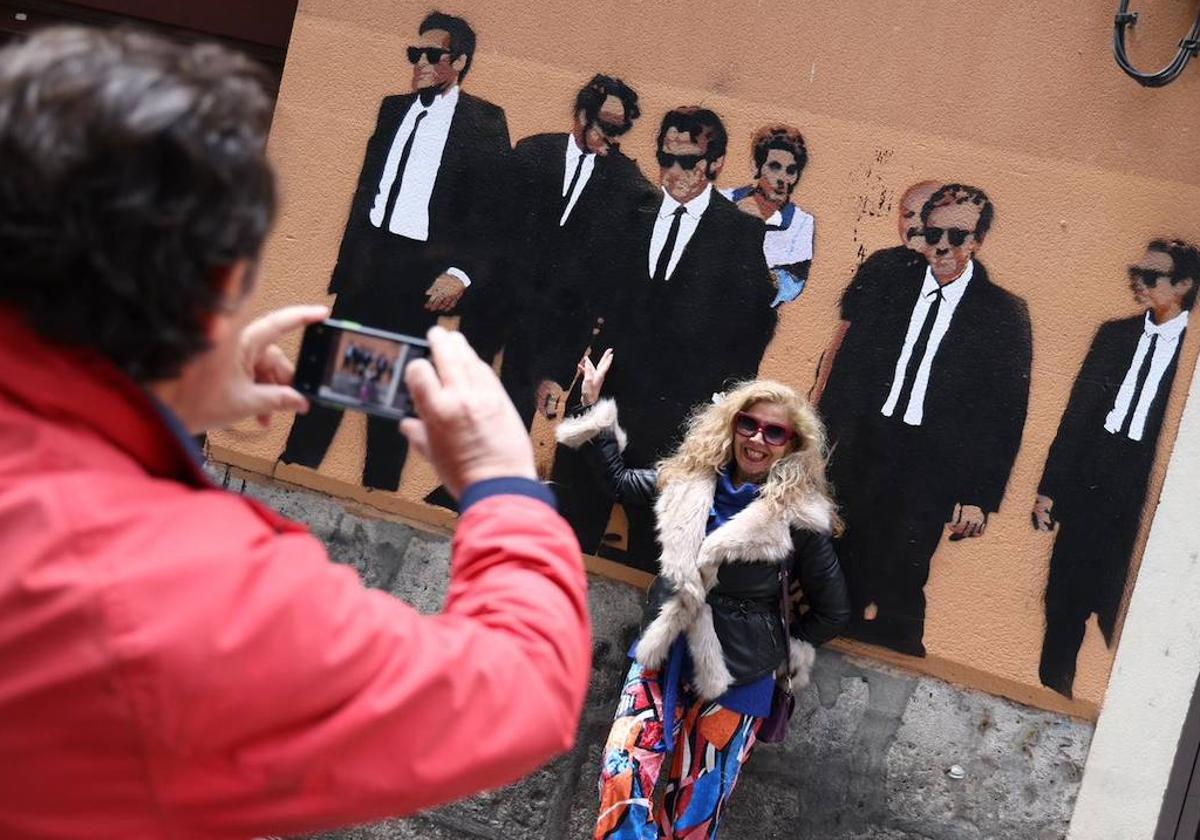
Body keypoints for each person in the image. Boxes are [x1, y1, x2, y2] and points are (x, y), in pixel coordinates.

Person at [0, 27, 590, 838]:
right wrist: (505, 483)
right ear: (219, 281)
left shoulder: (482, 126)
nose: (416, 66)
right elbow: (519, 696)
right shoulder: (195, 577)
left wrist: (159, 406)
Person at [557, 350, 850, 839]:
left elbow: (832, 610)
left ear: (791, 444)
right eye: (748, 424)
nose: (757, 438)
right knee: (622, 774)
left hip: (739, 671)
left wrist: (770, 646)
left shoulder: (799, 515)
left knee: (694, 809)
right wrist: (593, 406)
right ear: (731, 426)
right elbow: (620, 482)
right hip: (663, 651)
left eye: (773, 432)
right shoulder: (688, 482)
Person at [280, 11, 511, 492]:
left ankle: (378, 498)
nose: (421, 63)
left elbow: (492, 213)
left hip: (421, 273)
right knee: (327, 384)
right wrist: (349, 267)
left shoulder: (482, 122)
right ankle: (290, 475)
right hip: (371, 264)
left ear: (460, 62)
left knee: (395, 400)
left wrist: (461, 274)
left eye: (433, 55)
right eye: (415, 54)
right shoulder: (393, 110)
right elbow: (368, 195)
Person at [553, 107, 779, 572]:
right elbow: (582, 300)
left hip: (674, 420)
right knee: (565, 531)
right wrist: (560, 375)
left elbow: (751, 333)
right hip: (603, 403)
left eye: (687, 161)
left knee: (648, 554)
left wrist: (716, 415)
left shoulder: (739, 235)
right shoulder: (630, 212)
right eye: (665, 158)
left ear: (715, 163)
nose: (672, 172)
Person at [820, 184, 1032, 656]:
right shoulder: (888, 280)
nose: (941, 246)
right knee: (836, 574)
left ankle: (890, 686)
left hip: (929, 468)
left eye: (957, 236)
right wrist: (820, 447)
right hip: (865, 450)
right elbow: (848, 372)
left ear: (978, 240)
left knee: (902, 581)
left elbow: (1005, 414)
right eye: (934, 232)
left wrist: (978, 498)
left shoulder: (1002, 313)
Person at [1033, 239, 1197, 698]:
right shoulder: (1115, 334)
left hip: (1141, 488)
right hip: (1092, 476)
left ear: (1183, 285)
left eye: (1151, 277)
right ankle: (1053, 690)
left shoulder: (1189, 352)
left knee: (1118, 604)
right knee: (1064, 597)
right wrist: (1050, 487)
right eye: (1136, 273)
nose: (1138, 285)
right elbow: (1077, 417)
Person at [494, 73, 652, 429]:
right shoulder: (533, 153)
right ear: (581, 116)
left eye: (620, 130)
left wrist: (557, 369)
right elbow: (496, 232)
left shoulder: (628, 187)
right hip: (497, 316)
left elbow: (600, 287)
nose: (613, 138)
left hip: (550, 334)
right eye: (605, 126)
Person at [812, 180, 940, 408]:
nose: (915, 224)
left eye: (925, 214)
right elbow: (841, 336)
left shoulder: (949, 280)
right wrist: (816, 394)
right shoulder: (881, 264)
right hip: (846, 399)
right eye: (908, 214)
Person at [722, 124, 815, 308]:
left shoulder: (801, 223)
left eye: (790, 170)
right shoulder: (723, 201)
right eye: (774, 167)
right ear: (757, 166)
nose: (783, 178)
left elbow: (790, 286)